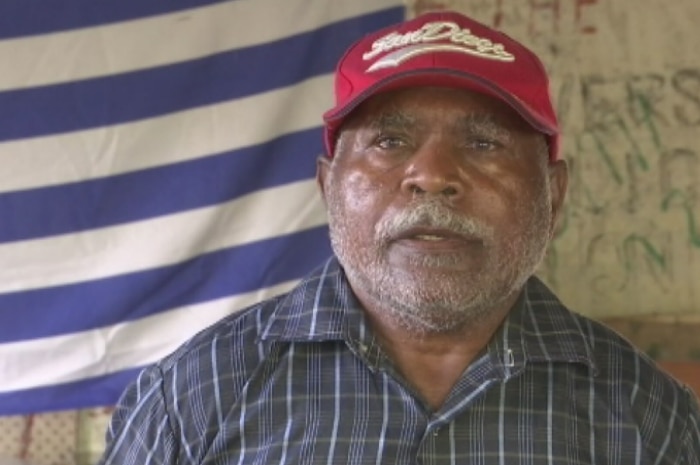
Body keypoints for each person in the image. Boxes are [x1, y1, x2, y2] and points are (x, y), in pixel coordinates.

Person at [97, 10, 700, 464]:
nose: (433, 176)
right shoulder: (195, 397)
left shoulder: (646, 419)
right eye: (389, 142)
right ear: (329, 187)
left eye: (483, 143)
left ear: (554, 193)